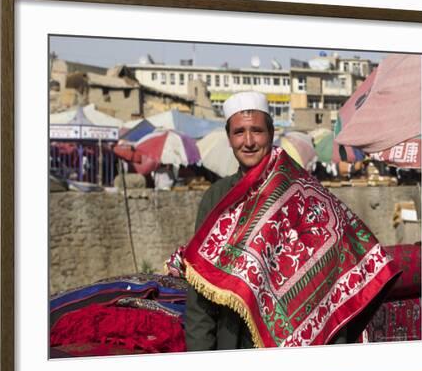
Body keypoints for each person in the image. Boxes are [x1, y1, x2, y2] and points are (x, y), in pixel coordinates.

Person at [166, 91, 400, 351]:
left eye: (256, 131)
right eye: (239, 132)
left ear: (271, 132)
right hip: (232, 344)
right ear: (229, 138)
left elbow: (333, 274)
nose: (248, 141)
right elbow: (201, 293)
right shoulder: (217, 199)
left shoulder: (304, 192)